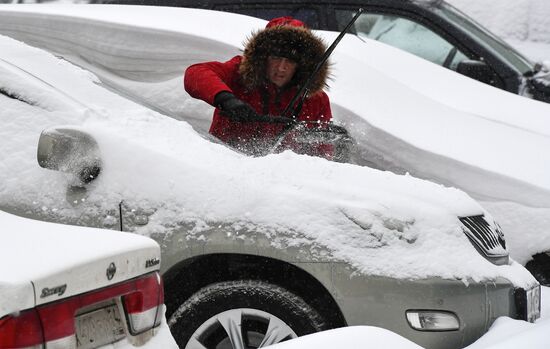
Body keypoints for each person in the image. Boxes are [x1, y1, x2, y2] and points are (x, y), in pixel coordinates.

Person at [184, 16, 332, 156]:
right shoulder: (239, 74)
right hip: (222, 165)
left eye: (290, 61)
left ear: (302, 65)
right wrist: (226, 100)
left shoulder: (315, 100)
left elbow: (323, 155)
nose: (281, 68)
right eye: (276, 58)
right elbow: (195, 73)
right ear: (263, 58)